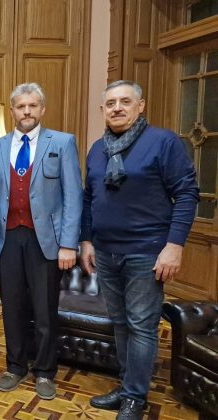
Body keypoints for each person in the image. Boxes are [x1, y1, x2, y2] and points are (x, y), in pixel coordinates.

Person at [81, 80, 199, 420]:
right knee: (120, 322)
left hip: (147, 252)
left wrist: (174, 245)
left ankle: (135, 397)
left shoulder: (163, 143)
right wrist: (87, 239)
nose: (117, 107)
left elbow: (187, 193)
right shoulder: (97, 148)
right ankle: (127, 385)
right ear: (102, 110)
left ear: (140, 106)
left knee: (142, 325)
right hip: (105, 251)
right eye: (111, 103)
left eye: (125, 101)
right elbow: (90, 198)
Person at [0, 83, 82, 400]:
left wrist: (69, 244)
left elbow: (73, 197)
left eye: (32, 106)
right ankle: (15, 366)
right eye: (20, 106)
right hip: (7, 238)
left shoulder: (63, 143)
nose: (26, 111)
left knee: (44, 310)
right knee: (11, 308)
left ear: (42, 109)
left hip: (48, 242)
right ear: (11, 110)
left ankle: (44, 371)